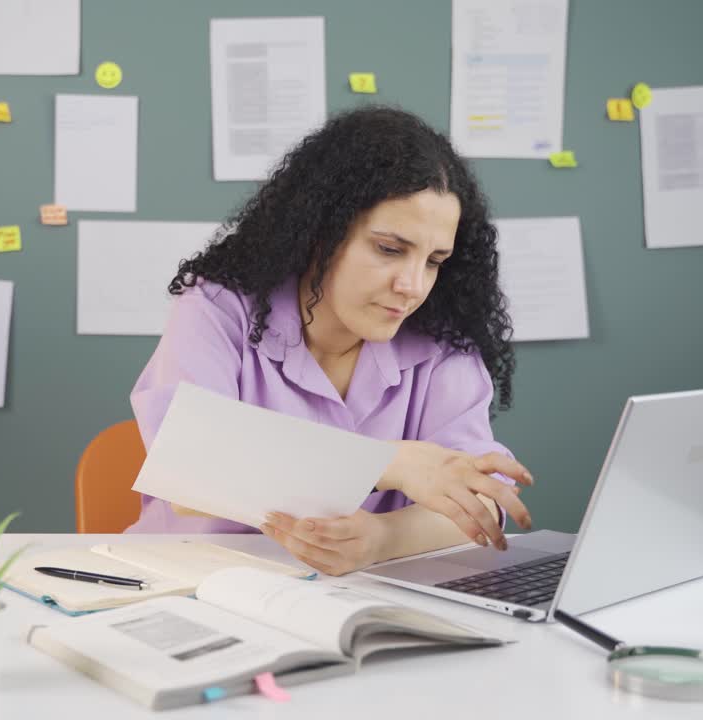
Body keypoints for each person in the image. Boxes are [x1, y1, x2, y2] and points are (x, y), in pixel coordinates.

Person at [124, 106, 534, 576]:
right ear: (321, 232)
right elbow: (191, 471)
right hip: (190, 583)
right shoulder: (216, 306)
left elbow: (480, 502)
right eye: (389, 249)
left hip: (356, 597)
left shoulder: (443, 344)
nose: (413, 285)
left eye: (434, 260)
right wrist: (389, 463)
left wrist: (382, 539)